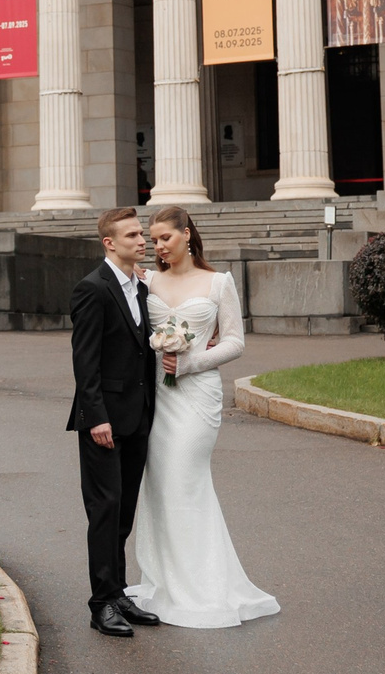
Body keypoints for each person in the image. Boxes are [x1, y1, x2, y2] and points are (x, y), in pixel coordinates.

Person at [125, 205, 279, 629]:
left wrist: (192, 362)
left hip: (197, 397)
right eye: (153, 240)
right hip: (157, 397)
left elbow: (235, 342)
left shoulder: (218, 282)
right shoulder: (147, 281)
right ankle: (168, 581)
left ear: (187, 234)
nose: (158, 246)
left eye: (165, 238)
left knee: (185, 480)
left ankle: (202, 586)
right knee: (161, 486)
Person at [66, 207, 163, 639]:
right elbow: (85, 362)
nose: (142, 241)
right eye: (132, 236)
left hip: (138, 416)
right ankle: (100, 604)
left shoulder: (139, 286)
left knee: (123, 510)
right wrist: (96, 418)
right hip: (103, 422)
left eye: (141, 234)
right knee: (104, 511)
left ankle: (119, 593)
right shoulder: (92, 288)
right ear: (109, 243)